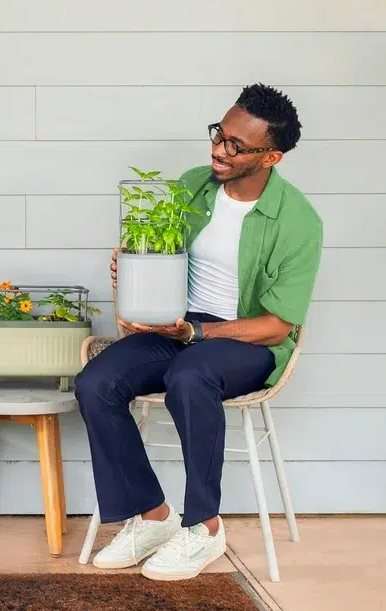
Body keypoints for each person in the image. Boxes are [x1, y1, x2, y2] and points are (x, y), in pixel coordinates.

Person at [74, 83, 323, 581]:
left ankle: (205, 528)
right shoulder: (192, 185)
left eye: (236, 145)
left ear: (271, 156)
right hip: (176, 326)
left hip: (244, 343)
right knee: (95, 383)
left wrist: (198, 334)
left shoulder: (297, 222)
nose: (218, 150)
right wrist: (134, 267)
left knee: (191, 375)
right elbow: (155, 252)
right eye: (219, 134)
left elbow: (276, 326)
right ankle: (153, 517)